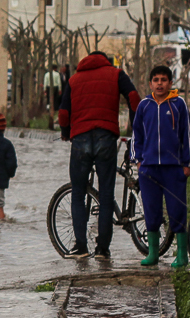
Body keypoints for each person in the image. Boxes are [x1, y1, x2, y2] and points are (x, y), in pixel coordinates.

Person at [58, 51, 141, 259]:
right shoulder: (116, 74)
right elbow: (133, 98)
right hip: (106, 137)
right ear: (106, 60)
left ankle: (80, 247)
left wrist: (66, 133)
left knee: (78, 193)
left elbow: (63, 114)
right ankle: (103, 249)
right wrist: (135, 128)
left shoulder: (74, 79)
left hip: (80, 138)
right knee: (106, 195)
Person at [132, 65, 190, 268]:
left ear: (170, 83)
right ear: (150, 84)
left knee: (177, 209)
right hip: (148, 168)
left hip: (174, 167)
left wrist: (187, 163)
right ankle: (153, 253)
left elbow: (187, 135)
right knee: (151, 210)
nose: (160, 83)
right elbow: (137, 136)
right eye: (156, 80)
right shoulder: (144, 106)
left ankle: (182, 254)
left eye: (164, 80)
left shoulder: (178, 104)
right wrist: (138, 161)